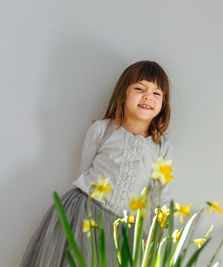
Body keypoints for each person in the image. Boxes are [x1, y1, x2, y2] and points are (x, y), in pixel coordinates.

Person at [20, 60, 174, 267]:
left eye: (157, 93)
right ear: (123, 92)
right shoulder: (103, 130)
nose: (148, 96)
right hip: (84, 213)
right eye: (140, 88)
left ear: (163, 103)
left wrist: (155, 238)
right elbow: (83, 172)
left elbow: (160, 196)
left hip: (123, 230)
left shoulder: (160, 146)